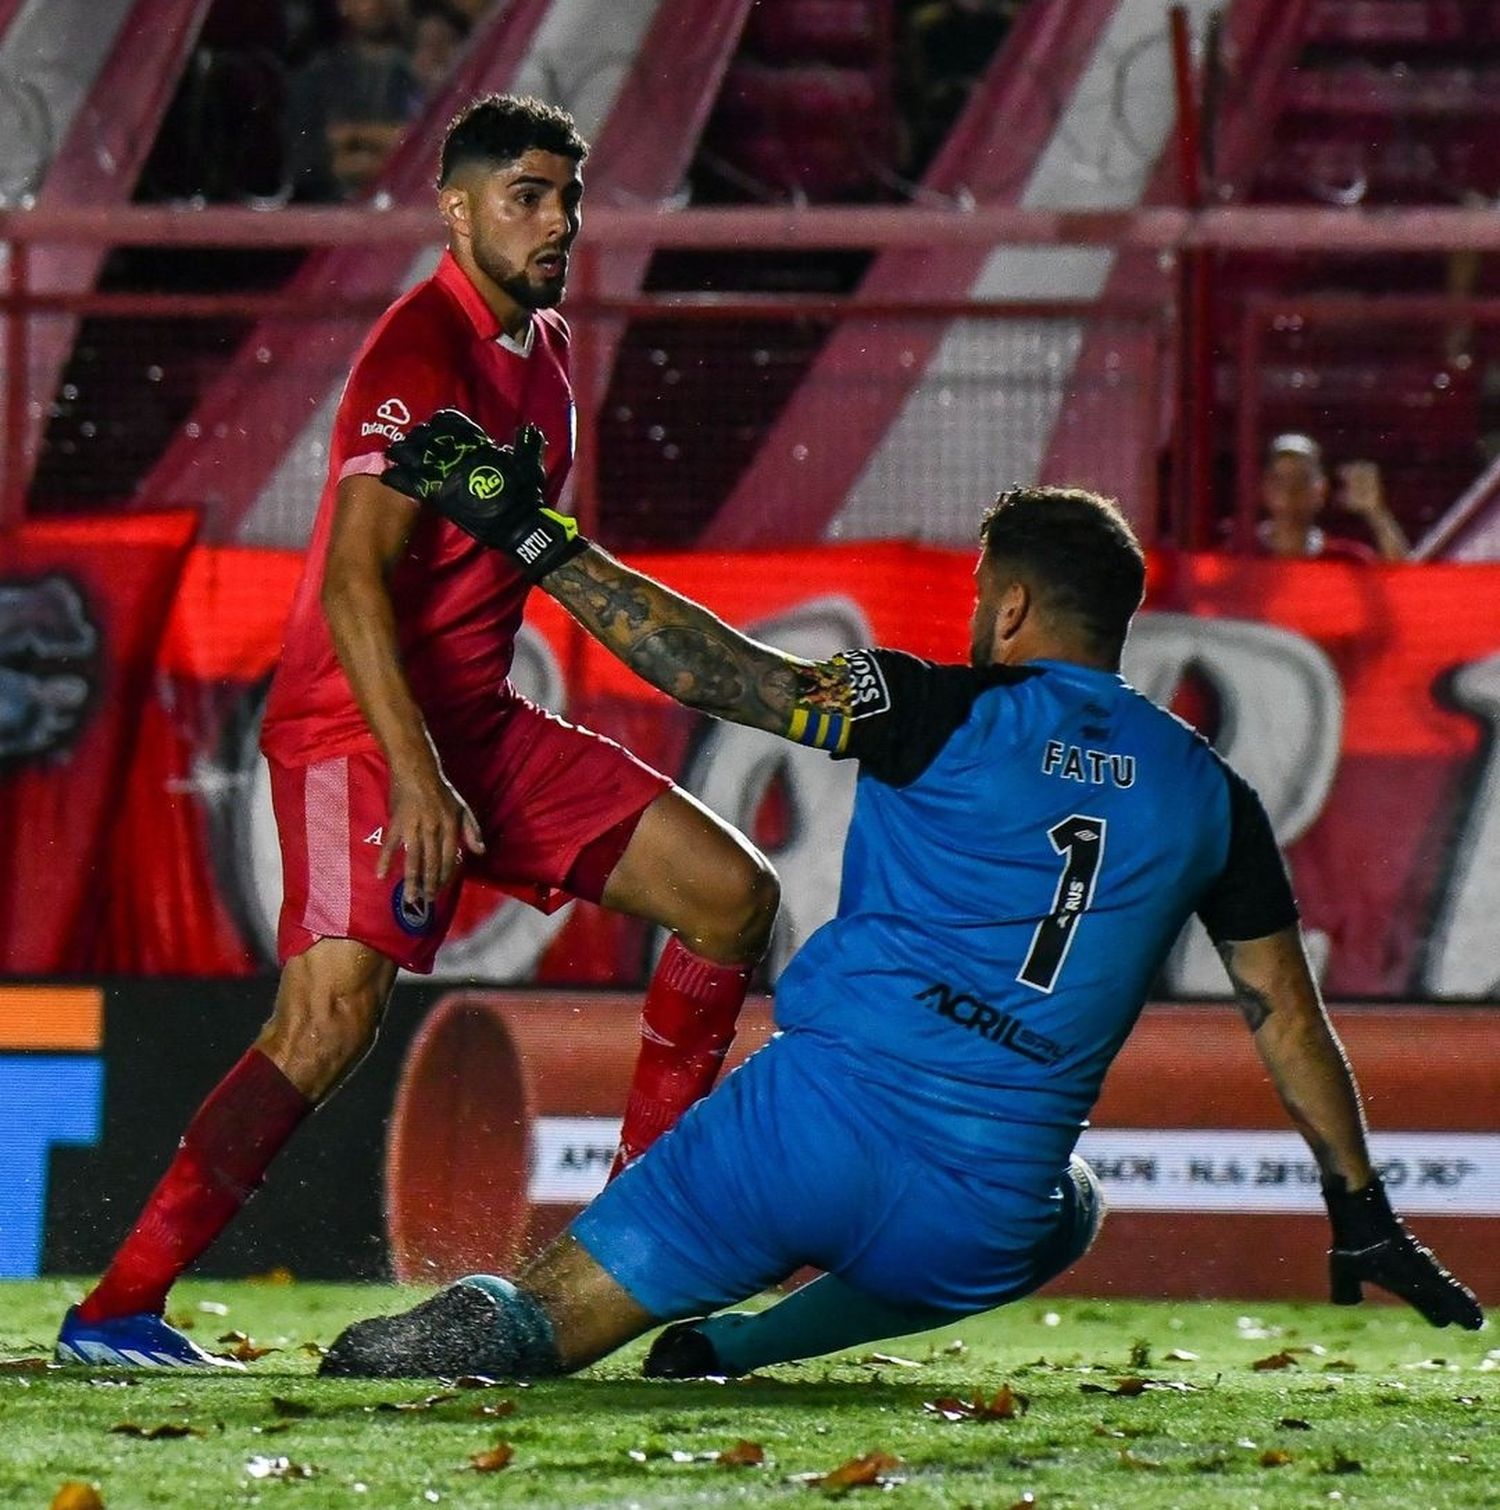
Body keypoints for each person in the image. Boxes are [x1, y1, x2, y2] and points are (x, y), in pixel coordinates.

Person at [316, 414, 1481, 1380]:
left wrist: (527, 530)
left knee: (536, 1326)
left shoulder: (933, 705)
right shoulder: (1213, 797)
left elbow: (707, 672)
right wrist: (1362, 1206)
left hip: (801, 1134)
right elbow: (1288, 1016)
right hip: (976, 1212)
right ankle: (737, 1350)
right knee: (1071, 1203)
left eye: (984, 597)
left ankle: (443, 1341)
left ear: (1013, 608)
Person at [55, 97, 778, 1370]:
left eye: (567, 195)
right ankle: (115, 1312)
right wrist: (414, 769)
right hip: (363, 725)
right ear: (455, 207)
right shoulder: (416, 348)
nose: (557, 221)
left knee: (731, 894)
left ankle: (638, 1248)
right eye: (526, 196)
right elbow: (350, 583)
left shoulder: (548, 346)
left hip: (479, 721)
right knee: (328, 1022)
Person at [286, 0, 422, 201]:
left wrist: (356, 136)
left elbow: (428, 147)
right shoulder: (318, 77)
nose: (377, 4)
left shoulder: (425, 72)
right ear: (343, 5)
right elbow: (304, 160)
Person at [1257, 433, 1409, 563]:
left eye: (1302, 479)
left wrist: (1376, 512)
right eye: (1280, 479)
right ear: (1265, 487)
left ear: (1321, 490)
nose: (1290, 490)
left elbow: (1404, 582)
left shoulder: (1345, 559)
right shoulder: (1238, 550)